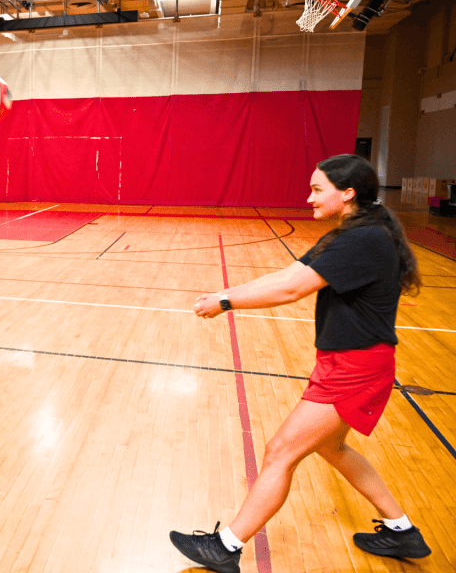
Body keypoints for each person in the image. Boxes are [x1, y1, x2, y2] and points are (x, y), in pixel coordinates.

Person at [169, 154, 431, 572]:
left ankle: (226, 547)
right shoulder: (354, 231)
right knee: (331, 446)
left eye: (316, 189)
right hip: (347, 362)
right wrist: (227, 291)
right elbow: (286, 274)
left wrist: (225, 302)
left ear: (347, 194)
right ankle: (402, 531)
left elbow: (292, 290)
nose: (308, 198)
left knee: (280, 454)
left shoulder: (363, 239)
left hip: (356, 368)